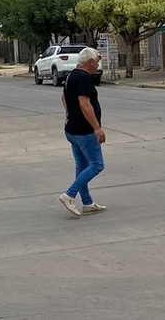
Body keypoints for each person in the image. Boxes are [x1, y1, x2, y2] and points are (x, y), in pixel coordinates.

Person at [58, 47, 107, 217]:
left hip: (71, 129)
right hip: (84, 131)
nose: (98, 63)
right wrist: (97, 128)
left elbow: (63, 97)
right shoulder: (84, 78)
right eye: (97, 61)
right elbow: (85, 103)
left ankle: (87, 203)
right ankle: (69, 195)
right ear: (91, 62)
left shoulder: (72, 75)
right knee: (97, 165)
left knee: (82, 165)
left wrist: (71, 113)